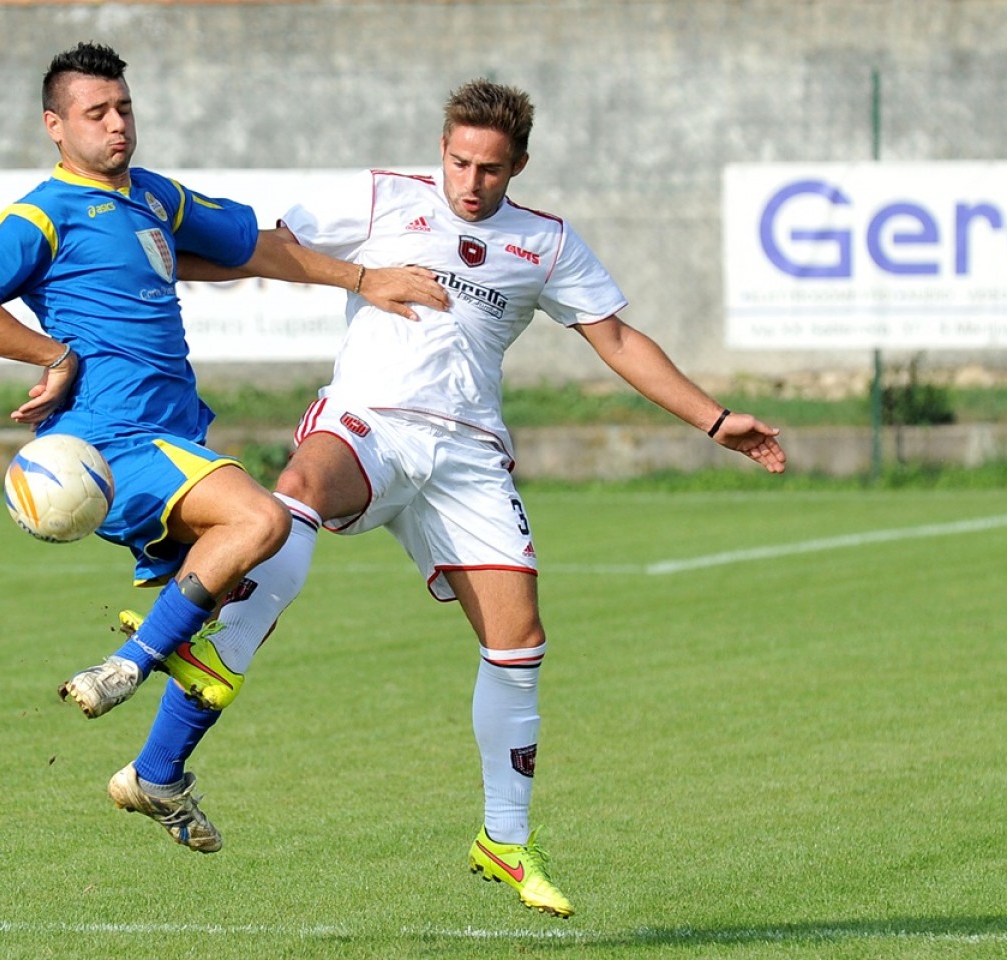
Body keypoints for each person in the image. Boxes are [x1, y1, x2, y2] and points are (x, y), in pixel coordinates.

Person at [130, 78, 787, 917]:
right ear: (441, 146)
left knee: (519, 644)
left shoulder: (546, 243)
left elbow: (616, 336)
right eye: (459, 161)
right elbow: (268, 249)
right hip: (371, 420)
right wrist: (155, 273)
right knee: (296, 490)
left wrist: (716, 418)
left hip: (469, 454)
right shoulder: (382, 198)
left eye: (491, 169)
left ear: (519, 165)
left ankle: (504, 840)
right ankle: (214, 658)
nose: (471, 183)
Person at [0, 42, 447, 855]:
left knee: (247, 608)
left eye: (124, 108)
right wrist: (53, 356)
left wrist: (363, 279)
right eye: (95, 113)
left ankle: (158, 773)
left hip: (171, 438)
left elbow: (256, 247)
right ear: (54, 127)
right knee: (260, 521)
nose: (116, 125)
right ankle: (129, 663)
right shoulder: (41, 213)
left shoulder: (152, 198)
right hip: (113, 442)